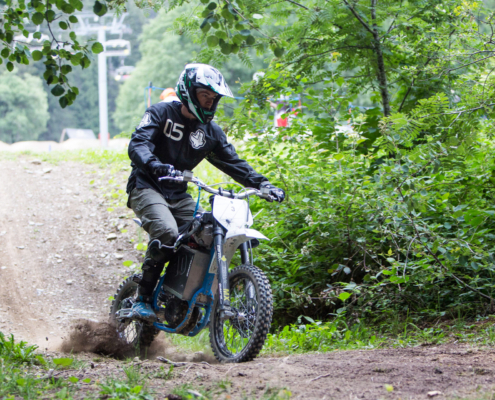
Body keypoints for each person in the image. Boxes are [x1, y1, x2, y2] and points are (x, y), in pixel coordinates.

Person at [126, 63, 285, 322]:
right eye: (205, 96)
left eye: (214, 99)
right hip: (147, 187)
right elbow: (138, 144)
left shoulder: (210, 132)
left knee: (208, 231)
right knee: (167, 231)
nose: (210, 103)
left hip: (178, 195)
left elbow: (234, 164)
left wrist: (263, 184)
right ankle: (142, 299)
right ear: (189, 91)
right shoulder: (161, 113)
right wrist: (154, 164)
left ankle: (178, 293)